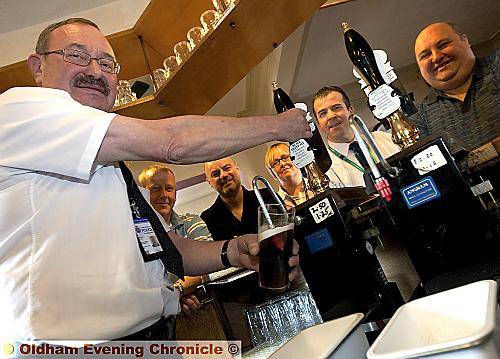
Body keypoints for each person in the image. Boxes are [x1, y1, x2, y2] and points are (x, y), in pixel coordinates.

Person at [0, 18, 307, 341]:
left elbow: (163, 247)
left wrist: (232, 251)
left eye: (106, 63)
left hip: (153, 339)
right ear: (38, 67)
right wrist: (282, 126)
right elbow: (172, 143)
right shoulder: (19, 110)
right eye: (76, 56)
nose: (94, 71)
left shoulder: (112, 167)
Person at [139, 164, 212, 317]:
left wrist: (176, 293)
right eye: (155, 188)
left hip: (204, 315)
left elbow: (208, 265)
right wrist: (176, 296)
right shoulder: (136, 236)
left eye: (169, 189)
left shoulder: (192, 222)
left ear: (175, 194)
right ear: (142, 195)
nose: (163, 195)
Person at [412, 22, 500, 150]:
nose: (436, 57)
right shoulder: (420, 119)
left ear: (465, 41)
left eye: (443, 45)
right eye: (425, 55)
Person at [313, 86, 400, 188]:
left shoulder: (385, 138)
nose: (331, 116)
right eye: (323, 113)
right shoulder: (325, 169)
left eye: (336, 108)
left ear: (350, 110)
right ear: (319, 124)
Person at [201, 156, 275, 241]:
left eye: (227, 168)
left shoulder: (266, 196)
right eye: (216, 174)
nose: (223, 175)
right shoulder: (207, 219)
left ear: (237, 168)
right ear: (209, 182)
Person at [265, 143, 314, 208]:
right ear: (272, 172)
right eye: (275, 163)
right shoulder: (276, 205)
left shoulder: (319, 185)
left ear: (297, 158)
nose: (282, 164)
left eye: (285, 157)